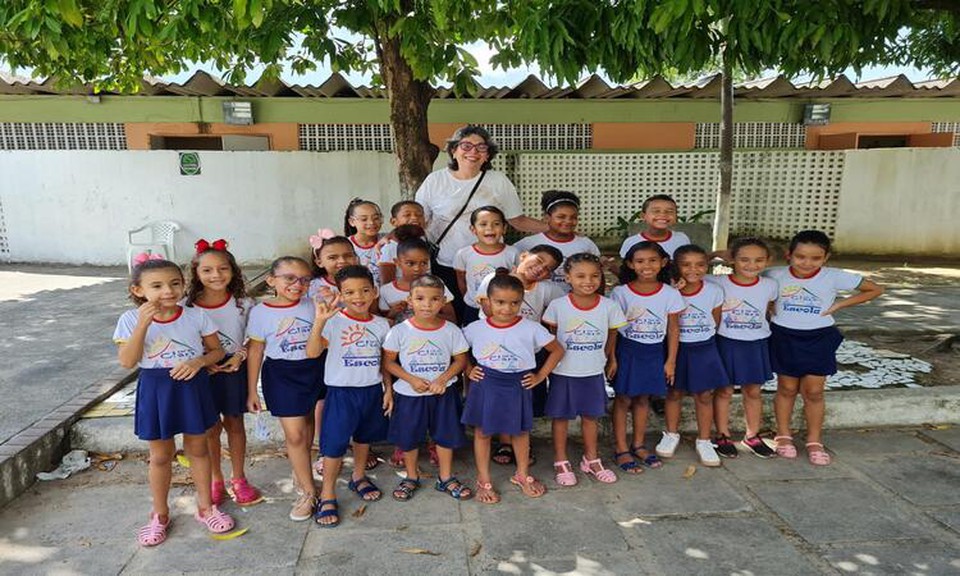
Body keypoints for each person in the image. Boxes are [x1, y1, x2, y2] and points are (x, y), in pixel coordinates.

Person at [114, 257, 234, 547]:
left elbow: (217, 351)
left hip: (193, 387)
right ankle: (160, 514)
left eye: (175, 283)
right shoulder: (130, 320)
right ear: (139, 290)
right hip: (156, 390)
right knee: (160, 455)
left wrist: (199, 361)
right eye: (157, 286)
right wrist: (143, 324)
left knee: (199, 449)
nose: (168, 291)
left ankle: (206, 508)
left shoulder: (195, 316)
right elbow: (128, 361)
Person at [766, 230, 883, 465]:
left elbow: (875, 289)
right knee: (786, 388)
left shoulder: (834, 277)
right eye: (800, 257)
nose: (807, 263)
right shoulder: (774, 274)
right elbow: (756, 288)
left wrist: (839, 305)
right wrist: (770, 306)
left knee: (814, 391)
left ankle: (814, 440)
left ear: (826, 258)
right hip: (784, 337)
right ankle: (783, 435)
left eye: (815, 258)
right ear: (789, 255)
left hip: (818, 338)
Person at [415, 125, 547, 319]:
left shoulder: (498, 180)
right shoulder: (435, 180)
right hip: (446, 263)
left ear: (488, 155)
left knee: (492, 314)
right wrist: (392, 238)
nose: (473, 152)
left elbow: (516, 219)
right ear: (453, 151)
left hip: (491, 263)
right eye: (466, 146)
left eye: (481, 147)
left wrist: (554, 228)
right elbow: (418, 221)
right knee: (455, 315)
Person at [462, 272, 565, 503]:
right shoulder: (475, 328)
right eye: (500, 302)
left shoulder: (531, 328)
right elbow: (457, 349)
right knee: (482, 432)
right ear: (486, 301)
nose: (507, 309)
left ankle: (522, 474)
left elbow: (557, 350)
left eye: (514, 303)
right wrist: (468, 368)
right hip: (486, 384)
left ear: (522, 301)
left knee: (519, 431)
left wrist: (540, 376)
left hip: (517, 384)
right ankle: (484, 479)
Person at [306, 265, 392, 527]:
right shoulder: (333, 321)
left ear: (375, 292)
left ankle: (358, 476)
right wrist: (320, 321)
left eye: (365, 290)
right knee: (333, 446)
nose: (359, 297)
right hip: (341, 393)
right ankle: (328, 492)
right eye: (350, 292)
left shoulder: (381, 324)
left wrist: (388, 389)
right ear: (340, 294)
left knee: (364, 438)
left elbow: (385, 362)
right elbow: (312, 352)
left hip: (371, 391)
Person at [246, 257, 324, 522]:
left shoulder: (314, 305)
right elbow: (255, 350)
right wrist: (252, 390)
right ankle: (308, 492)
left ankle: (300, 469)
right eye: (289, 278)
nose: (297, 284)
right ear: (271, 281)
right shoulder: (260, 312)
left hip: (314, 369)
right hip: (281, 374)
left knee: (307, 426)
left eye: (304, 279)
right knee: (295, 436)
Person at [184, 240, 263, 506]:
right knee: (210, 429)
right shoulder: (187, 306)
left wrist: (239, 357)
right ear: (195, 273)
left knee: (235, 424)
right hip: (200, 371)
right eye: (207, 270)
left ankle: (238, 478)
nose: (215, 275)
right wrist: (204, 362)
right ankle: (216, 479)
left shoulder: (244, 304)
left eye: (222, 268)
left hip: (234, 369)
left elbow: (254, 338)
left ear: (233, 271)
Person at [383, 275, 474, 501]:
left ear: (443, 301)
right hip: (409, 394)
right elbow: (388, 362)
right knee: (409, 437)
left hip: (444, 392)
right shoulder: (399, 331)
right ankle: (411, 476)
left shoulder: (451, 330)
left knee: (444, 436)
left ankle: (445, 478)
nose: (427, 304)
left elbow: (460, 360)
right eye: (420, 298)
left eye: (434, 299)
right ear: (410, 300)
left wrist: (442, 379)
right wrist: (411, 379)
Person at [473, 244, 565, 464]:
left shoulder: (549, 290)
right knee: (499, 403)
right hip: (495, 354)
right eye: (539, 261)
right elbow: (489, 313)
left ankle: (521, 443)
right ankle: (505, 442)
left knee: (524, 402)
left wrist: (541, 373)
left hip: (528, 355)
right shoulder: (493, 281)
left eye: (547, 269)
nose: (541, 269)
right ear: (524, 255)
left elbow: (558, 314)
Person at [542, 253, 625, 486]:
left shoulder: (609, 306)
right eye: (580, 276)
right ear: (567, 277)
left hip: (592, 372)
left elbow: (612, 334)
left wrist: (611, 359)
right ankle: (561, 460)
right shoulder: (558, 306)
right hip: (563, 372)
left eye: (594, 276)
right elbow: (550, 338)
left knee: (591, 416)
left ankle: (591, 458)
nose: (588, 281)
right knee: (561, 417)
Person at [306, 232, 380, 475]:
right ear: (320, 261)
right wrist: (321, 321)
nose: (341, 260)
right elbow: (314, 346)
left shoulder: (361, 282)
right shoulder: (315, 286)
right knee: (324, 400)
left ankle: (360, 450)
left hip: (357, 351)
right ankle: (325, 449)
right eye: (333, 256)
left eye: (347, 255)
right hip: (328, 345)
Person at [609, 241, 683, 474]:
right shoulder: (620, 293)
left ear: (663, 263)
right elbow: (612, 328)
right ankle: (621, 448)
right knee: (623, 399)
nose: (647, 265)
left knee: (643, 399)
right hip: (627, 350)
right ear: (631, 264)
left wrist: (670, 360)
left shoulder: (670, 294)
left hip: (654, 352)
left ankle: (638, 445)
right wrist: (611, 357)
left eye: (653, 260)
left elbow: (673, 329)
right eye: (640, 261)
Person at [655, 245, 728, 467]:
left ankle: (704, 440)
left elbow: (715, 320)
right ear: (676, 266)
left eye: (700, 264)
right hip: (675, 347)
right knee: (674, 392)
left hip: (703, 348)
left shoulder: (714, 290)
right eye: (686, 265)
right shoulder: (667, 290)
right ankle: (671, 434)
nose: (693, 269)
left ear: (707, 266)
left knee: (704, 395)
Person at [707, 237, 778, 458]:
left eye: (759, 260)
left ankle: (752, 435)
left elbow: (768, 310)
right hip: (726, 341)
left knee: (753, 390)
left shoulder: (770, 285)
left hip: (756, 343)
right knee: (725, 390)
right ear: (732, 260)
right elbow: (685, 268)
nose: (751, 265)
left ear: (767, 261)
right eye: (744, 259)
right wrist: (713, 255)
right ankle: (722, 435)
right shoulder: (717, 282)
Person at [513, 190, 601, 285]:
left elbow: (597, 272)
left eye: (573, 217)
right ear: (547, 218)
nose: (568, 221)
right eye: (561, 217)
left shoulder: (585, 244)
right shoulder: (528, 243)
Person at [454, 206, 520, 326]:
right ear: (473, 229)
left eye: (496, 224)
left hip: (502, 308)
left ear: (504, 228)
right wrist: (471, 298)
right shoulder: (463, 254)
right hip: (473, 308)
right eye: (483, 224)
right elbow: (461, 279)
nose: (489, 228)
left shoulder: (513, 253)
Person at [379, 226, 457, 324]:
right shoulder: (386, 290)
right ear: (397, 262)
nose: (417, 268)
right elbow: (381, 323)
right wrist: (392, 313)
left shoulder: (437, 284)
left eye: (424, 263)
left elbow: (452, 318)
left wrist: (427, 313)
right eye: (410, 263)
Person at [618, 194, 691, 260]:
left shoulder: (682, 238)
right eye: (656, 211)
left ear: (676, 216)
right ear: (643, 216)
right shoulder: (631, 242)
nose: (663, 215)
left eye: (669, 211)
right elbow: (625, 271)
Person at [379, 200, 427, 284]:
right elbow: (386, 284)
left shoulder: (423, 241)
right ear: (394, 222)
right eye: (407, 215)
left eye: (419, 215)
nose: (414, 218)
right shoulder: (390, 247)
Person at [344, 198, 384, 286]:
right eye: (364, 219)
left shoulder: (388, 240)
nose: (371, 222)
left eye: (376, 218)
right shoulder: (345, 245)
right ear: (352, 222)